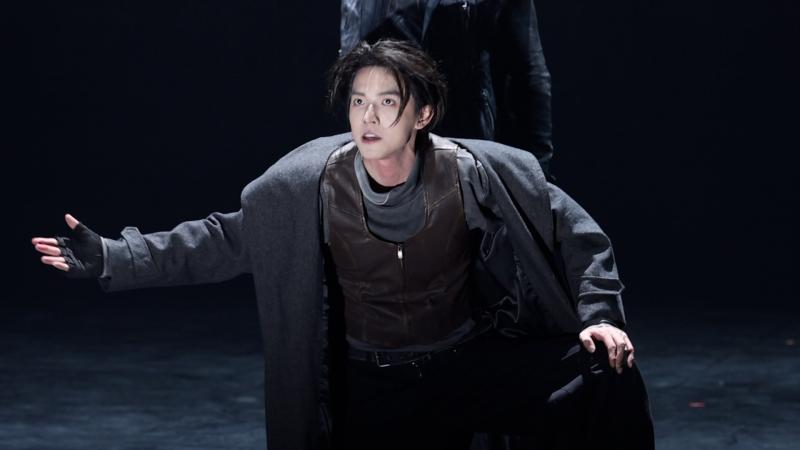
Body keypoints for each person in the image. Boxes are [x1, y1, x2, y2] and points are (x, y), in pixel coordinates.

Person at [31, 39, 653, 450]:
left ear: (423, 114)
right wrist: (114, 256)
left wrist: (601, 316)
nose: (369, 117)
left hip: (466, 366)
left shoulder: (474, 174)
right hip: (373, 390)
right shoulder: (310, 186)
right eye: (359, 102)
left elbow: (576, 232)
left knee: (606, 371)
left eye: (387, 102)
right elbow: (219, 240)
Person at [340, 0, 554, 177]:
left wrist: (537, 176)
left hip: (467, 155)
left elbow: (527, 75)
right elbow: (351, 70)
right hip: (386, 159)